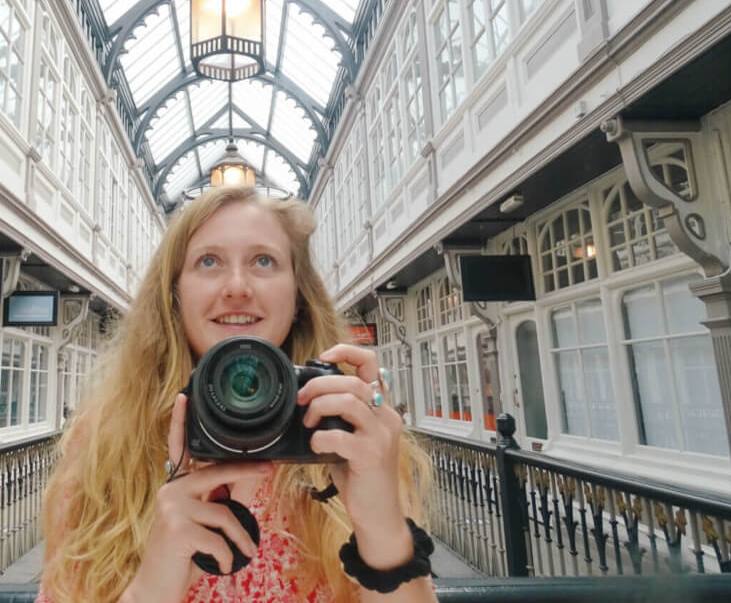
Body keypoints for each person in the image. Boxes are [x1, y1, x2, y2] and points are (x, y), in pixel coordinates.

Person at [38, 186, 435, 603]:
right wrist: (151, 586)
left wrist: (383, 525)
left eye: (263, 261)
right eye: (209, 261)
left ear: (298, 294)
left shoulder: (347, 437)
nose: (237, 287)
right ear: (173, 294)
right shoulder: (105, 442)